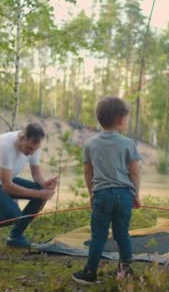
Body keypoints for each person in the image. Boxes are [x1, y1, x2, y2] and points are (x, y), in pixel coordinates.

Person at [72, 97, 142, 285]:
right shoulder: (128, 143)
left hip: (102, 195)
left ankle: (90, 272)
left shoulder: (90, 144)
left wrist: (92, 193)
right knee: (122, 234)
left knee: (98, 236)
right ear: (120, 119)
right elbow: (134, 171)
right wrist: (136, 194)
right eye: (127, 117)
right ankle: (125, 269)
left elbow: (88, 171)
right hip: (124, 195)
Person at [0, 123, 58, 251]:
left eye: (34, 150)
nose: (30, 153)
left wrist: (44, 185)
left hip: (6, 180)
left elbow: (36, 174)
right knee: (13, 214)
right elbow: (7, 187)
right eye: (29, 149)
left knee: (40, 191)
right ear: (22, 138)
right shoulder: (5, 146)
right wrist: (40, 194)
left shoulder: (34, 145)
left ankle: (15, 237)